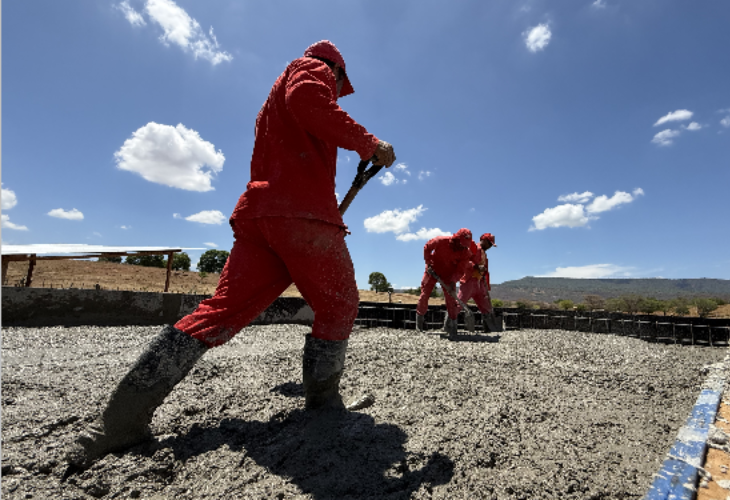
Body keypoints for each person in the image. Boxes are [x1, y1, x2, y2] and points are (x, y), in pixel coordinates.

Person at [68, 40, 396, 467]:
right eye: (339, 83)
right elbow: (309, 103)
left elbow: (298, 118)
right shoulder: (311, 69)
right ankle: (323, 406)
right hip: (301, 216)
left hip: (261, 217)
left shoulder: (271, 99)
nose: (336, 88)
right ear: (335, 71)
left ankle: (118, 424)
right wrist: (368, 143)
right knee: (339, 305)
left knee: (219, 311)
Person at [415, 229, 474, 336]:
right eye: (461, 243)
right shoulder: (440, 241)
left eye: (465, 245)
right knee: (424, 295)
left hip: (449, 275)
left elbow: (460, 270)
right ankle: (419, 325)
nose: (463, 247)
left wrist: (453, 281)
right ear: (456, 239)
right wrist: (428, 263)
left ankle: (452, 325)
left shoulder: (466, 253)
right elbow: (427, 248)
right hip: (432, 270)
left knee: (451, 299)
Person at [458, 233, 501, 332]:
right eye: (489, 243)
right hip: (469, 280)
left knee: (485, 305)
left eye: (491, 245)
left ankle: (489, 327)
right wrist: (475, 266)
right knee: (459, 304)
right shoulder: (473, 248)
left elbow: (484, 270)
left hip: (479, 281)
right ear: (484, 241)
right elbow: (464, 261)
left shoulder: (484, 254)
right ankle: (450, 326)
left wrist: (485, 284)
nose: (490, 246)